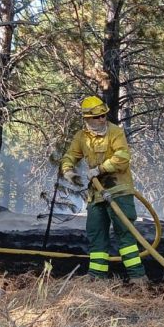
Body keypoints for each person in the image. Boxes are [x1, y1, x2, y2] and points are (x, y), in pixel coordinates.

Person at [59, 96, 146, 284]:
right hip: (96, 194)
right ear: (87, 119)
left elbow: (122, 156)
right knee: (96, 234)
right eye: (97, 117)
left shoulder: (115, 132)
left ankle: (138, 277)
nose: (102, 119)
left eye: (104, 115)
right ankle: (98, 278)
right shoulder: (81, 137)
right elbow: (70, 156)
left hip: (119, 190)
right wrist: (68, 171)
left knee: (125, 233)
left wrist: (99, 169)